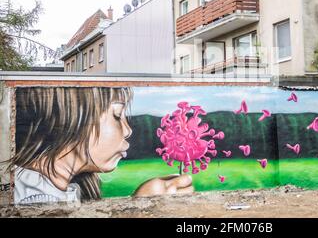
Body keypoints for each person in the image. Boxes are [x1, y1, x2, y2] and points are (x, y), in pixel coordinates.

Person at [9, 87, 193, 204]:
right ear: (75, 119)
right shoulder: (38, 201)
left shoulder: (45, 189)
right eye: (117, 115)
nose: (128, 131)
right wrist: (138, 209)